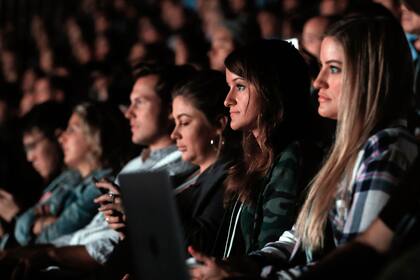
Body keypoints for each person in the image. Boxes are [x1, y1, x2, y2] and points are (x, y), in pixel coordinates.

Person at [191, 10, 418, 280]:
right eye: (321, 66)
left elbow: (356, 263)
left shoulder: (386, 147)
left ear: (369, 75)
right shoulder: (346, 150)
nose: (318, 81)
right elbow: (296, 240)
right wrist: (243, 266)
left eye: (333, 68)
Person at [0, 64, 197, 278]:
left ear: (171, 109)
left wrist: (46, 251)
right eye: (130, 103)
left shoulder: (177, 166)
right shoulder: (134, 164)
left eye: (139, 103)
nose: (129, 113)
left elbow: (111, 245)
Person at [9, 101, 132, 248]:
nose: (62, 138)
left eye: (72, 129)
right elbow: (21, 228)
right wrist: (38, 222)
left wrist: (39, 225)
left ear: (94, 135)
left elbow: (50, 238)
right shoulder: (69, 179)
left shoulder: (103, 185)